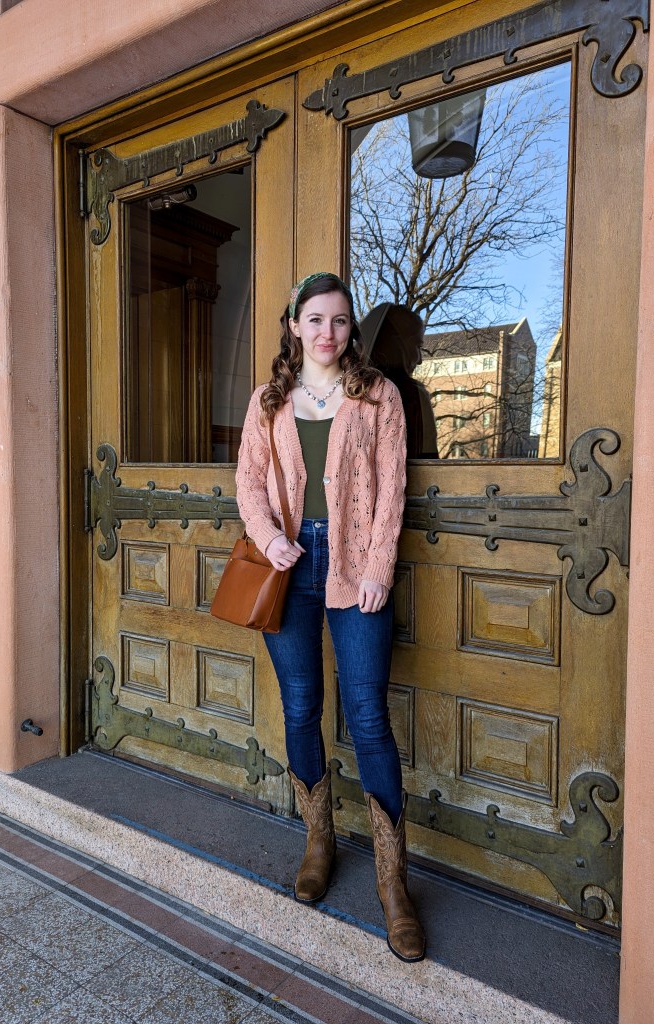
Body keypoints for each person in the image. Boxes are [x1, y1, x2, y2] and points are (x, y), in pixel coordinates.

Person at [235, 272, 425, 963]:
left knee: (367, 714)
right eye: (313, 319)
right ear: (293, 325)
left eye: (339, 320)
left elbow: (393, 488)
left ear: (351, 329)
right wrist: (271, 540)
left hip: (354, 568)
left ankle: (391, 884)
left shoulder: (379, 396)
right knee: (298, 706)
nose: (326, 332)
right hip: (289, 566)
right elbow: (249, 483)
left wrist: (377, 569)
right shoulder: (269, 400)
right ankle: (318, 842)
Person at [360, 302, 439, 460]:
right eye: (417, 346)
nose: (420, 360)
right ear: (397, 345)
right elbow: (430, 469)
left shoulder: (347, 390)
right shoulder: (414, 397)